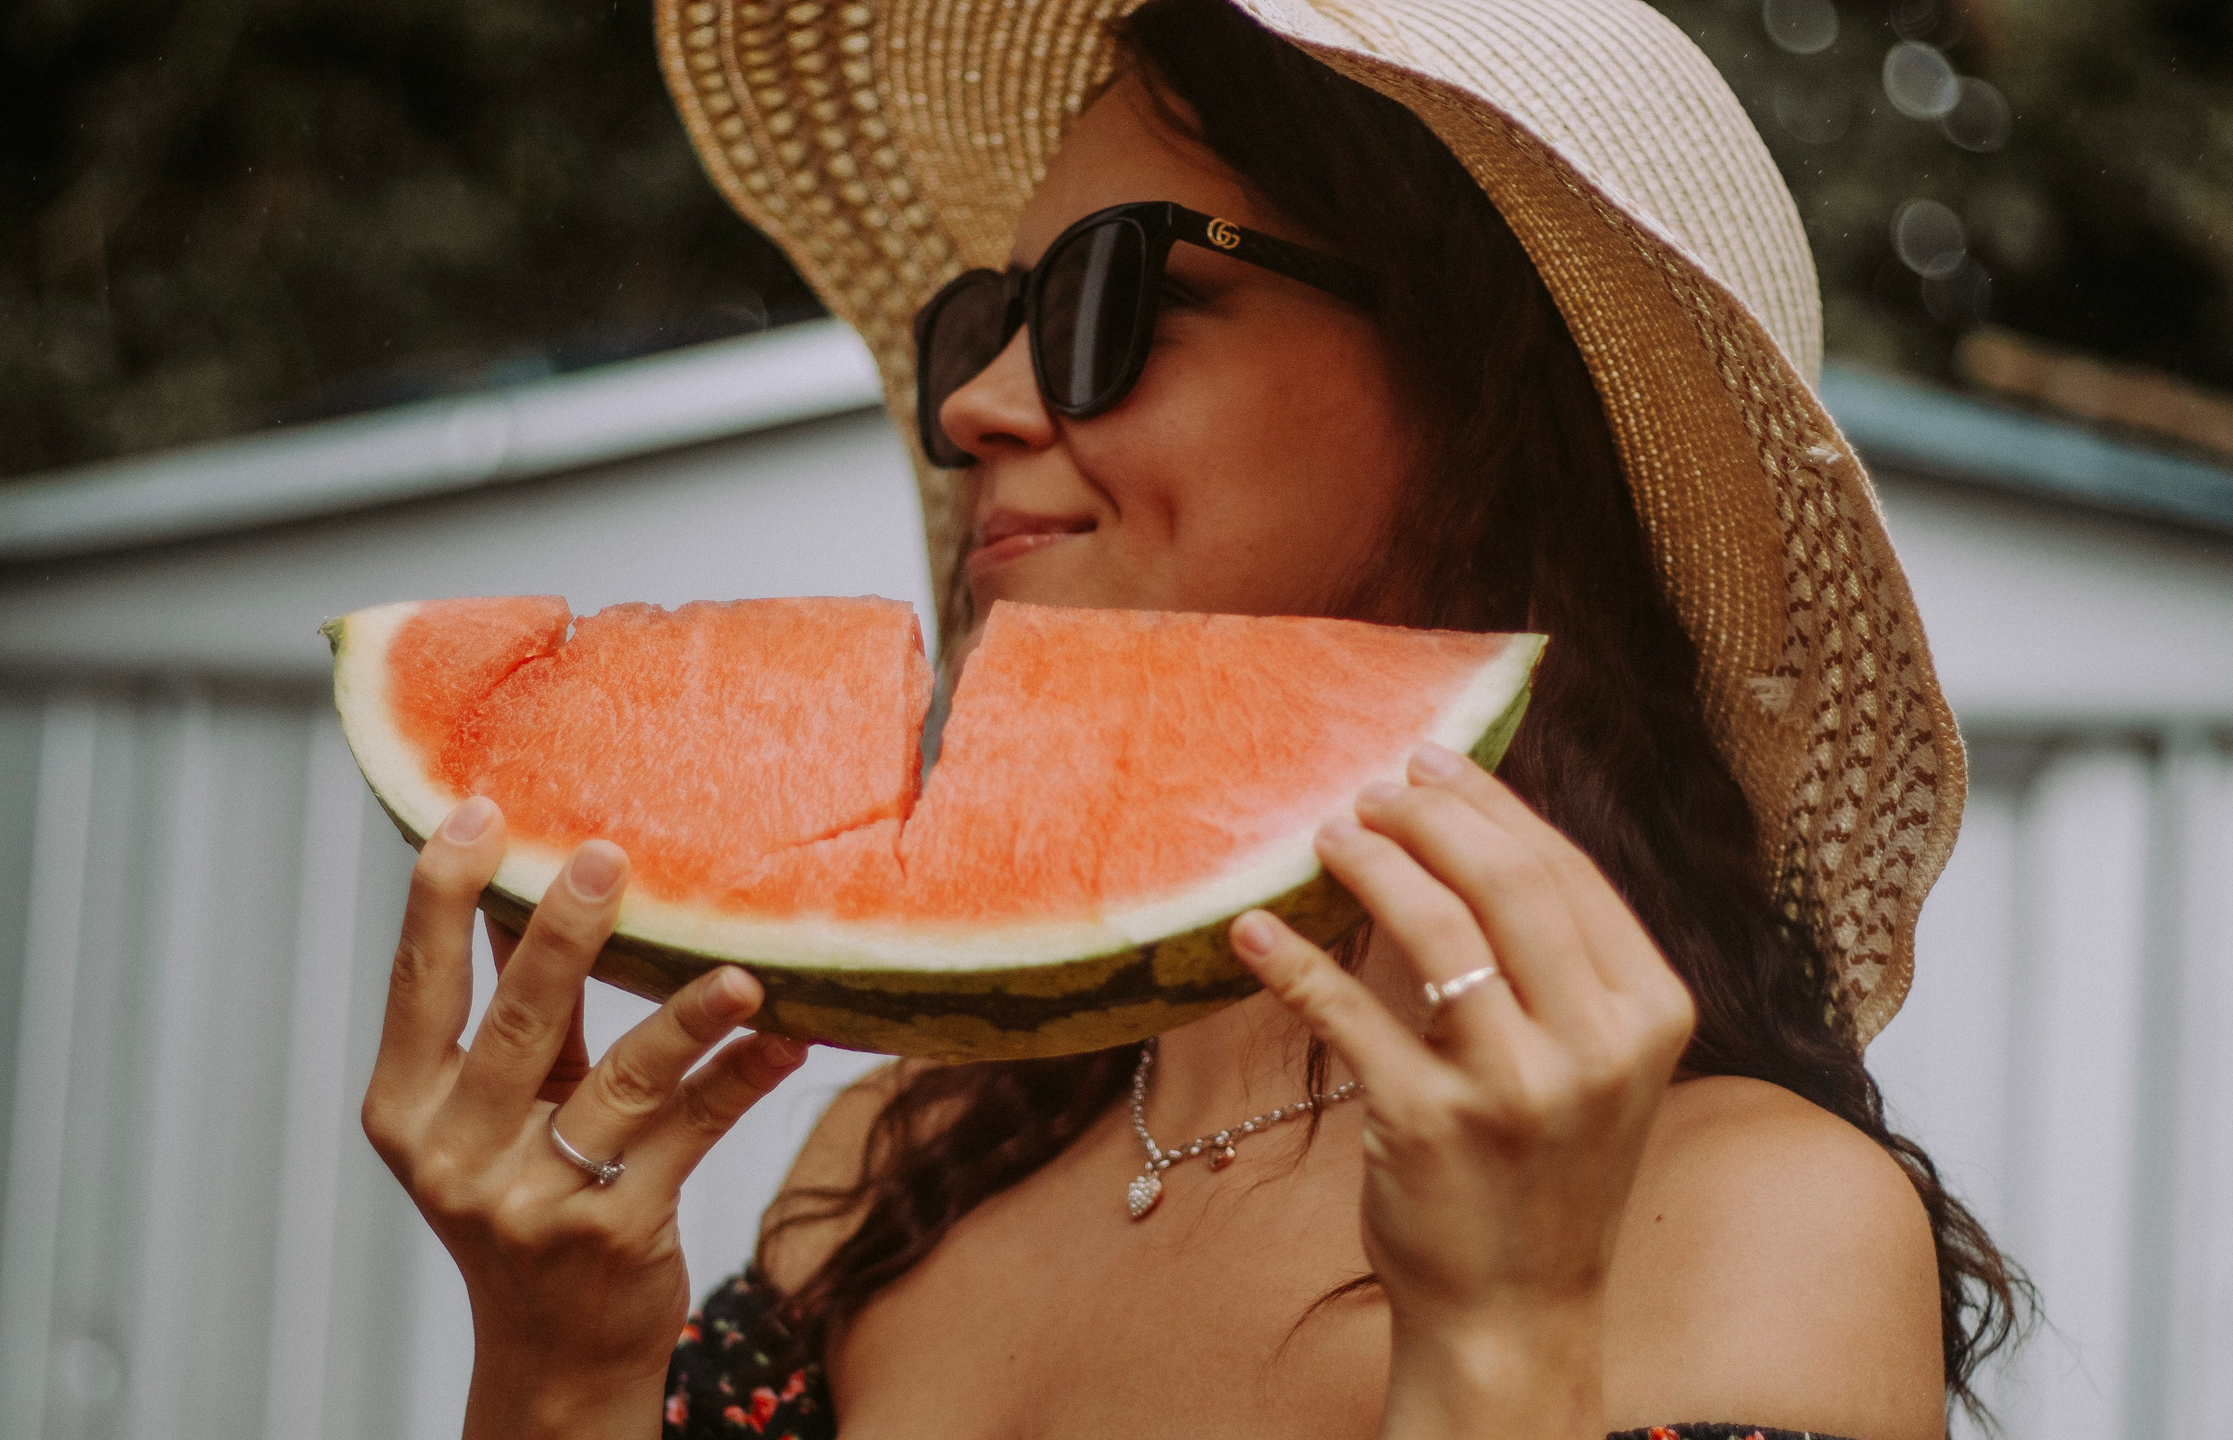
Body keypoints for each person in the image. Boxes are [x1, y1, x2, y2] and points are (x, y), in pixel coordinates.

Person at [359, 0, 2027, 1435]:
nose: (974, 402)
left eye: (1107, 304)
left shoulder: (1754, 1219)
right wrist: (562, 1367)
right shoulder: (887, 1161)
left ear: (1477, 389)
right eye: (985, 322)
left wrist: (1502, 1350)